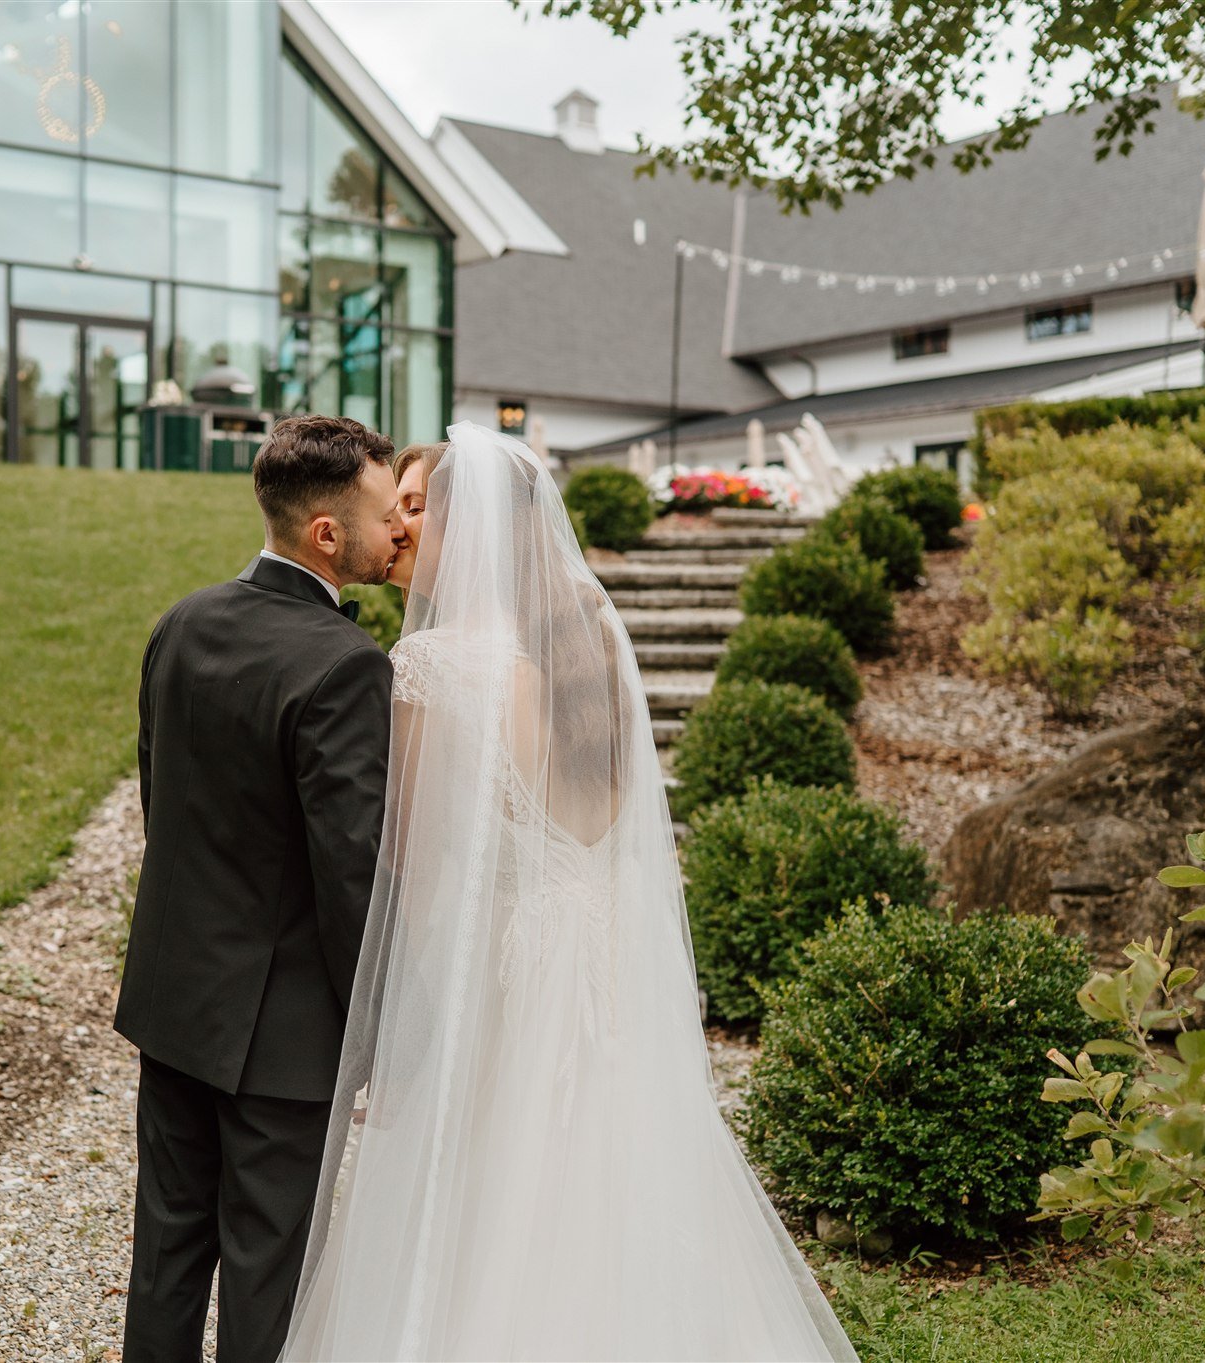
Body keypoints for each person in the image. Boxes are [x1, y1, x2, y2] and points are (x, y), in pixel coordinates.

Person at [280, 423, 860, 1361]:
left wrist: (409, 1023)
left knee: (491, 1190)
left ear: (474, 533)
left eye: (419, 508)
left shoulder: (432, 667)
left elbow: (415, 872)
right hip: (597, 957)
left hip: (506, 968)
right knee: (597, 1176)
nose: (399, 528)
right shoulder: (584, 643)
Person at [116, 414, 409, 1363]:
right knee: (266, 1278)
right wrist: (382, 1028)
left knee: (165, 1255)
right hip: (283, 1043)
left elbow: (165, 806)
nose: (397, 530)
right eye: (381, 512)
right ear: (327, 532)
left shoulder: (183, 620)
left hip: (174, 1002)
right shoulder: (346, 665)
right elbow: (350, 872)